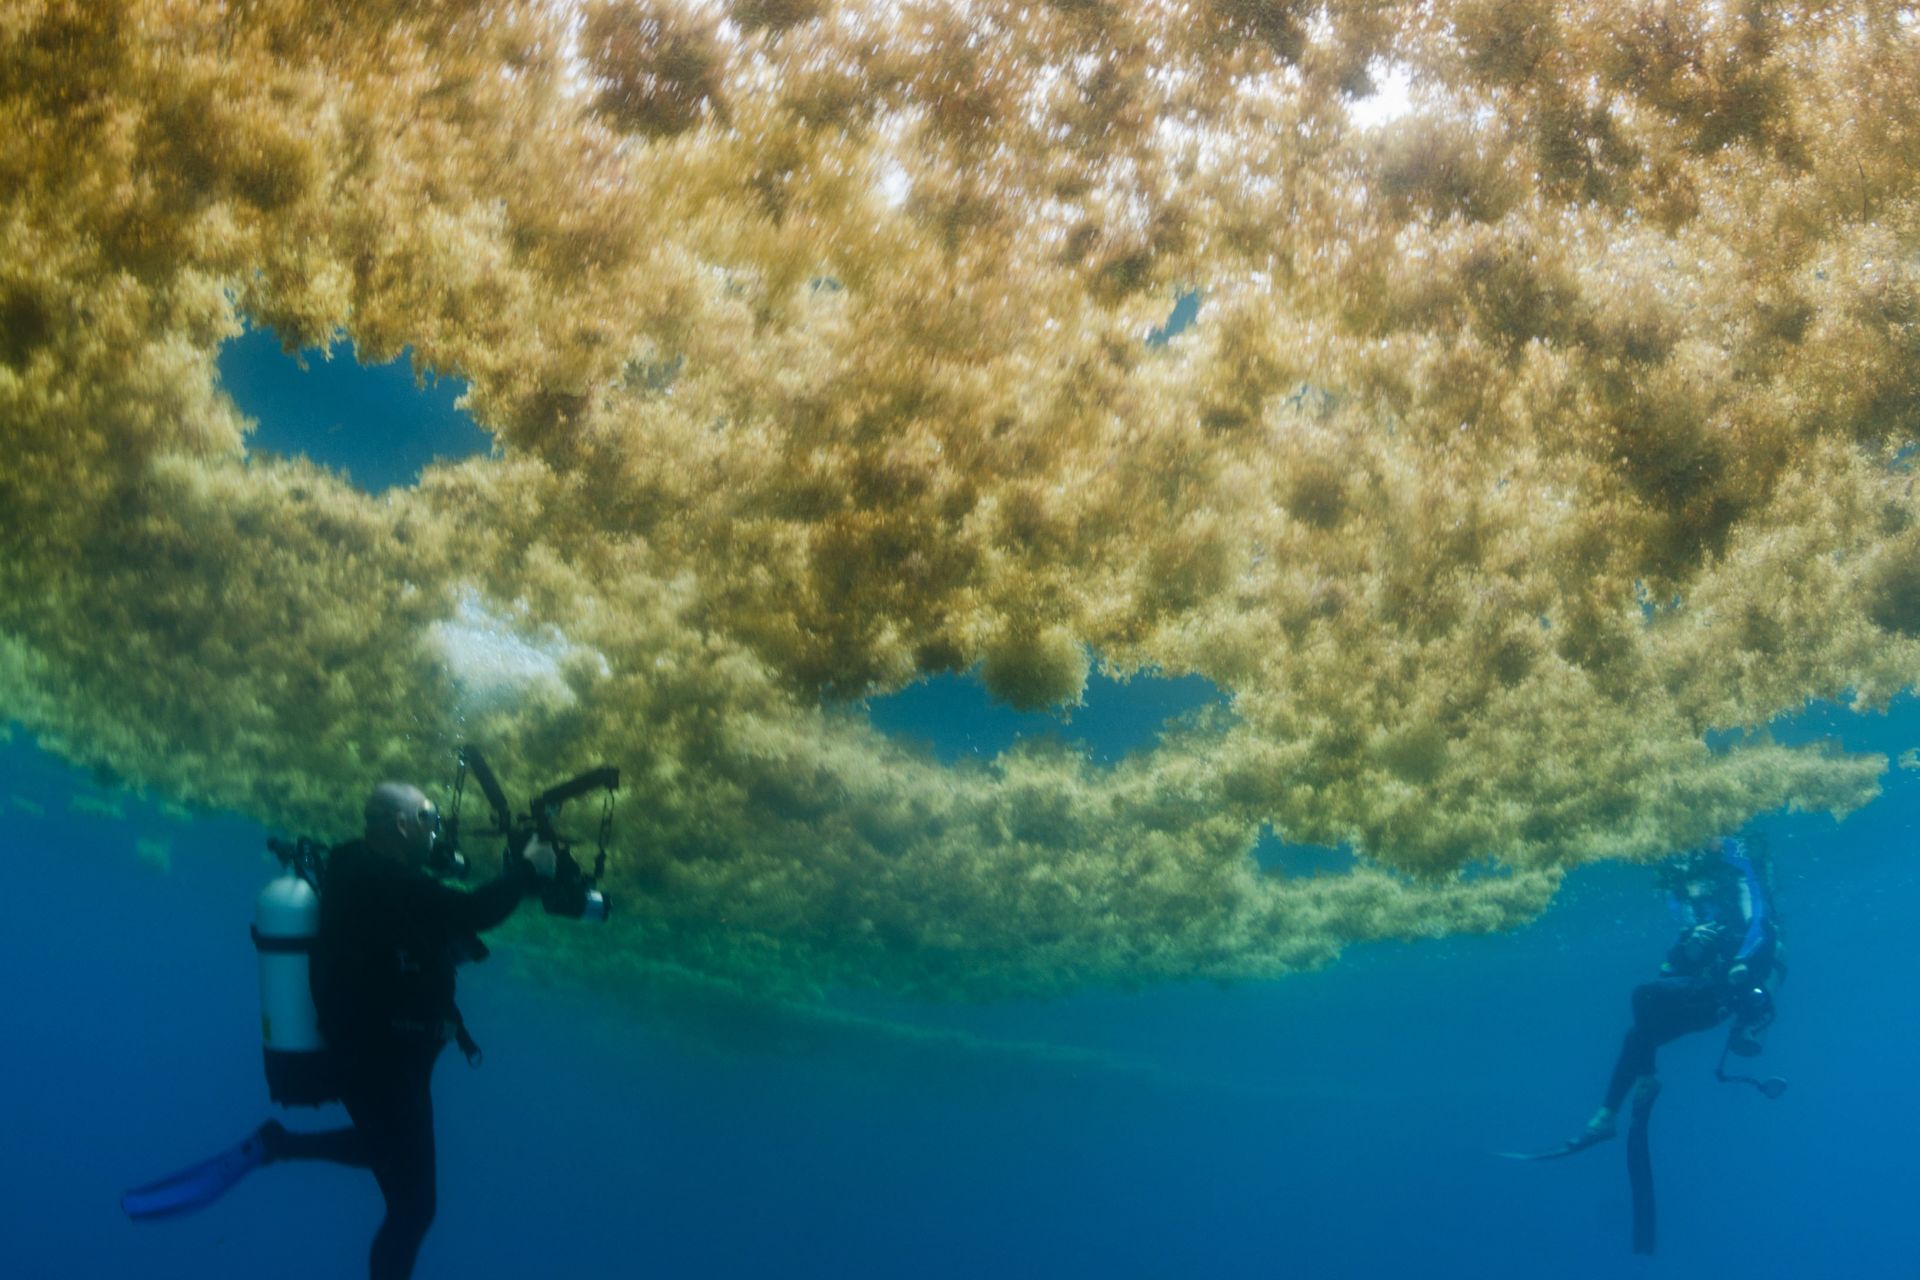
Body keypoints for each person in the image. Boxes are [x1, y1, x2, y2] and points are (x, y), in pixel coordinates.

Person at [122, 781, 556, 1280]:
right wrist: (527, 869)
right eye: (429, 821)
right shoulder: (375, 878)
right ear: (401, 824)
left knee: (390, 1155)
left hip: (394, 1056)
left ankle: (277, 1145)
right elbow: (473, 911)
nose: (435, 833)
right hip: (378, 1060)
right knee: (413, 1208)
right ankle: (277, 1146)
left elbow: (432, 923)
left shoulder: (362, 872)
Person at [1571, 835, 1779, 1151]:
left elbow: (1760, 924)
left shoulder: (1740, 892)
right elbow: (1669, 969)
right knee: (1637, 1036)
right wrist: (1689, 941)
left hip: (1725, 997)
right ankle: (1605, 1116)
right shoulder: (1691, 907)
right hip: (1702, 996)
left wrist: (1740, 961)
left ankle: (1646, 1080)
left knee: (1642, 996)